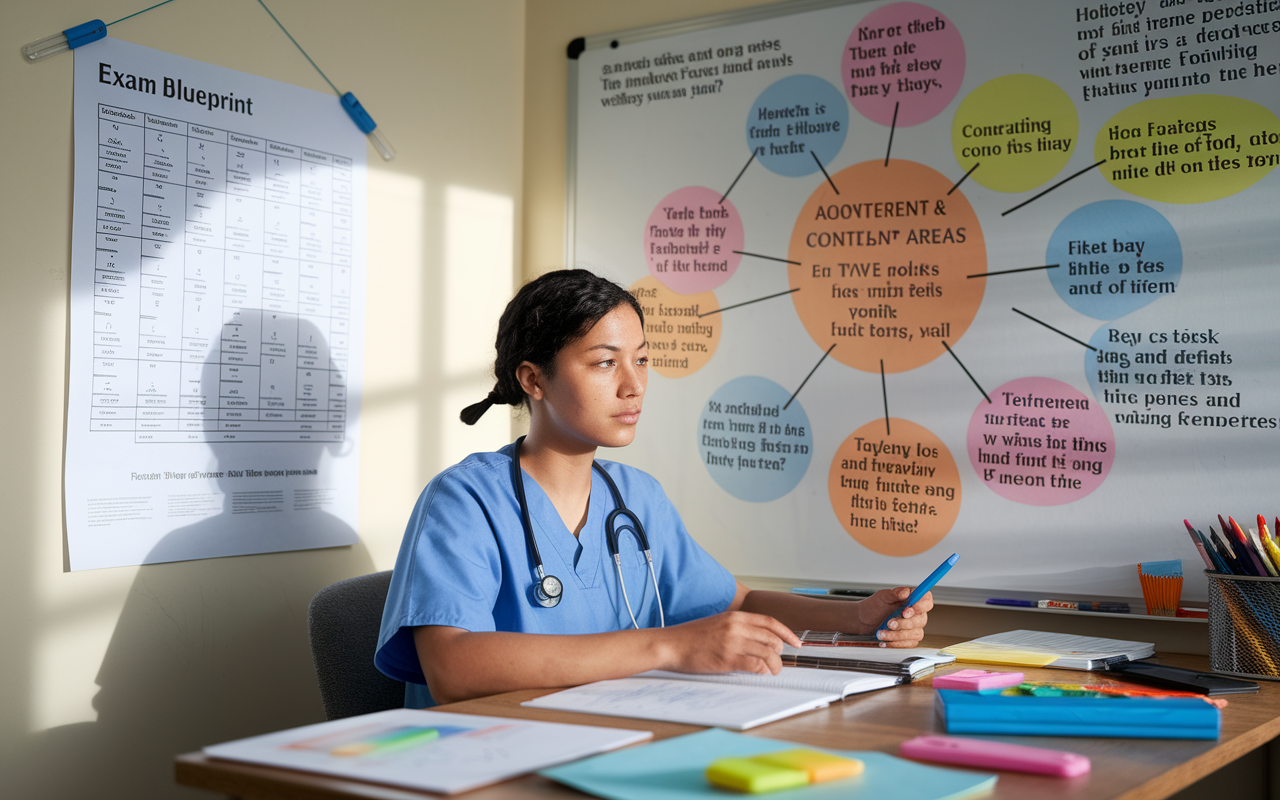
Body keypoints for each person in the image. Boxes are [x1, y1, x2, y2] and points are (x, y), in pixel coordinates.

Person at [375, 269, 932, 707]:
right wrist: (670, 645)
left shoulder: (635, 498)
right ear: (533, 379)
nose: (634, 384)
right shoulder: (463, 500)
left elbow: (736, 603)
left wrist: (856, 617)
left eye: (642, 360)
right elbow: (452, 669)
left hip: (608, 738)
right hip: (489, 761)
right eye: (604, 363)